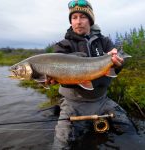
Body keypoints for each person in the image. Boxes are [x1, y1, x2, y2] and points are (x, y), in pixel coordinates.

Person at [46, 0, 136, 149]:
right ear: (71, 21)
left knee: (129, 131)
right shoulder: (62, 46)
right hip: (73, 105)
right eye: (74, 18)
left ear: (90, 19)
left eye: (83, 17)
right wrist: (51, 78)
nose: (78, 22)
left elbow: (114, 68)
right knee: (60, 145)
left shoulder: (104, 41)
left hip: (102, 101)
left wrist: (119, 64)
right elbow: (56, 74)